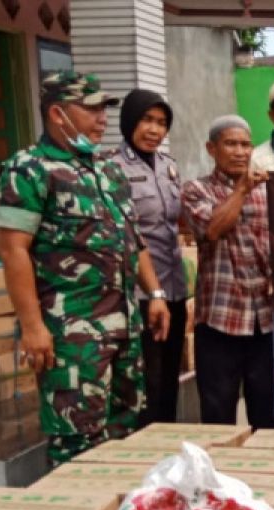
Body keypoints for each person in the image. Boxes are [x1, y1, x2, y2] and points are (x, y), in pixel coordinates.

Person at [0, 71, 170, 464]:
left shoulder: (106, 170)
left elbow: (133, 237)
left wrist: (155, 293)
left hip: (123, 328)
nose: (103, 118)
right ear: (58, 114)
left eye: (104, 109)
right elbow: (13, 251)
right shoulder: (28, 170)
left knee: (124, 435)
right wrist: (34, 327)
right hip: (71, 335)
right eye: (91, 109)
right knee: (76, 441)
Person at [181, 115, 274, 430]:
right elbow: (213, 228)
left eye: (245, 144)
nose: (240, 151)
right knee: (218, 414)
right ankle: (220, 477)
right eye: (230, 144)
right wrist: (242, 190)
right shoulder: (196, 190)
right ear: (211, 148)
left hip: (266, 319)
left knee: (272, 415)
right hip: (220, 320)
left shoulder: (270, 190)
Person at [111, 88, 187, 425]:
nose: (154, 130)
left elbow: (177, 224)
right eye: (146, 120)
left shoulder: (169, 167)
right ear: (129, 121)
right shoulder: (111, 167)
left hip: (174, 288)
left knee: (170, 376)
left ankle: (167, 448)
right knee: (145, 379)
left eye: (161, 123)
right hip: (137, 292)